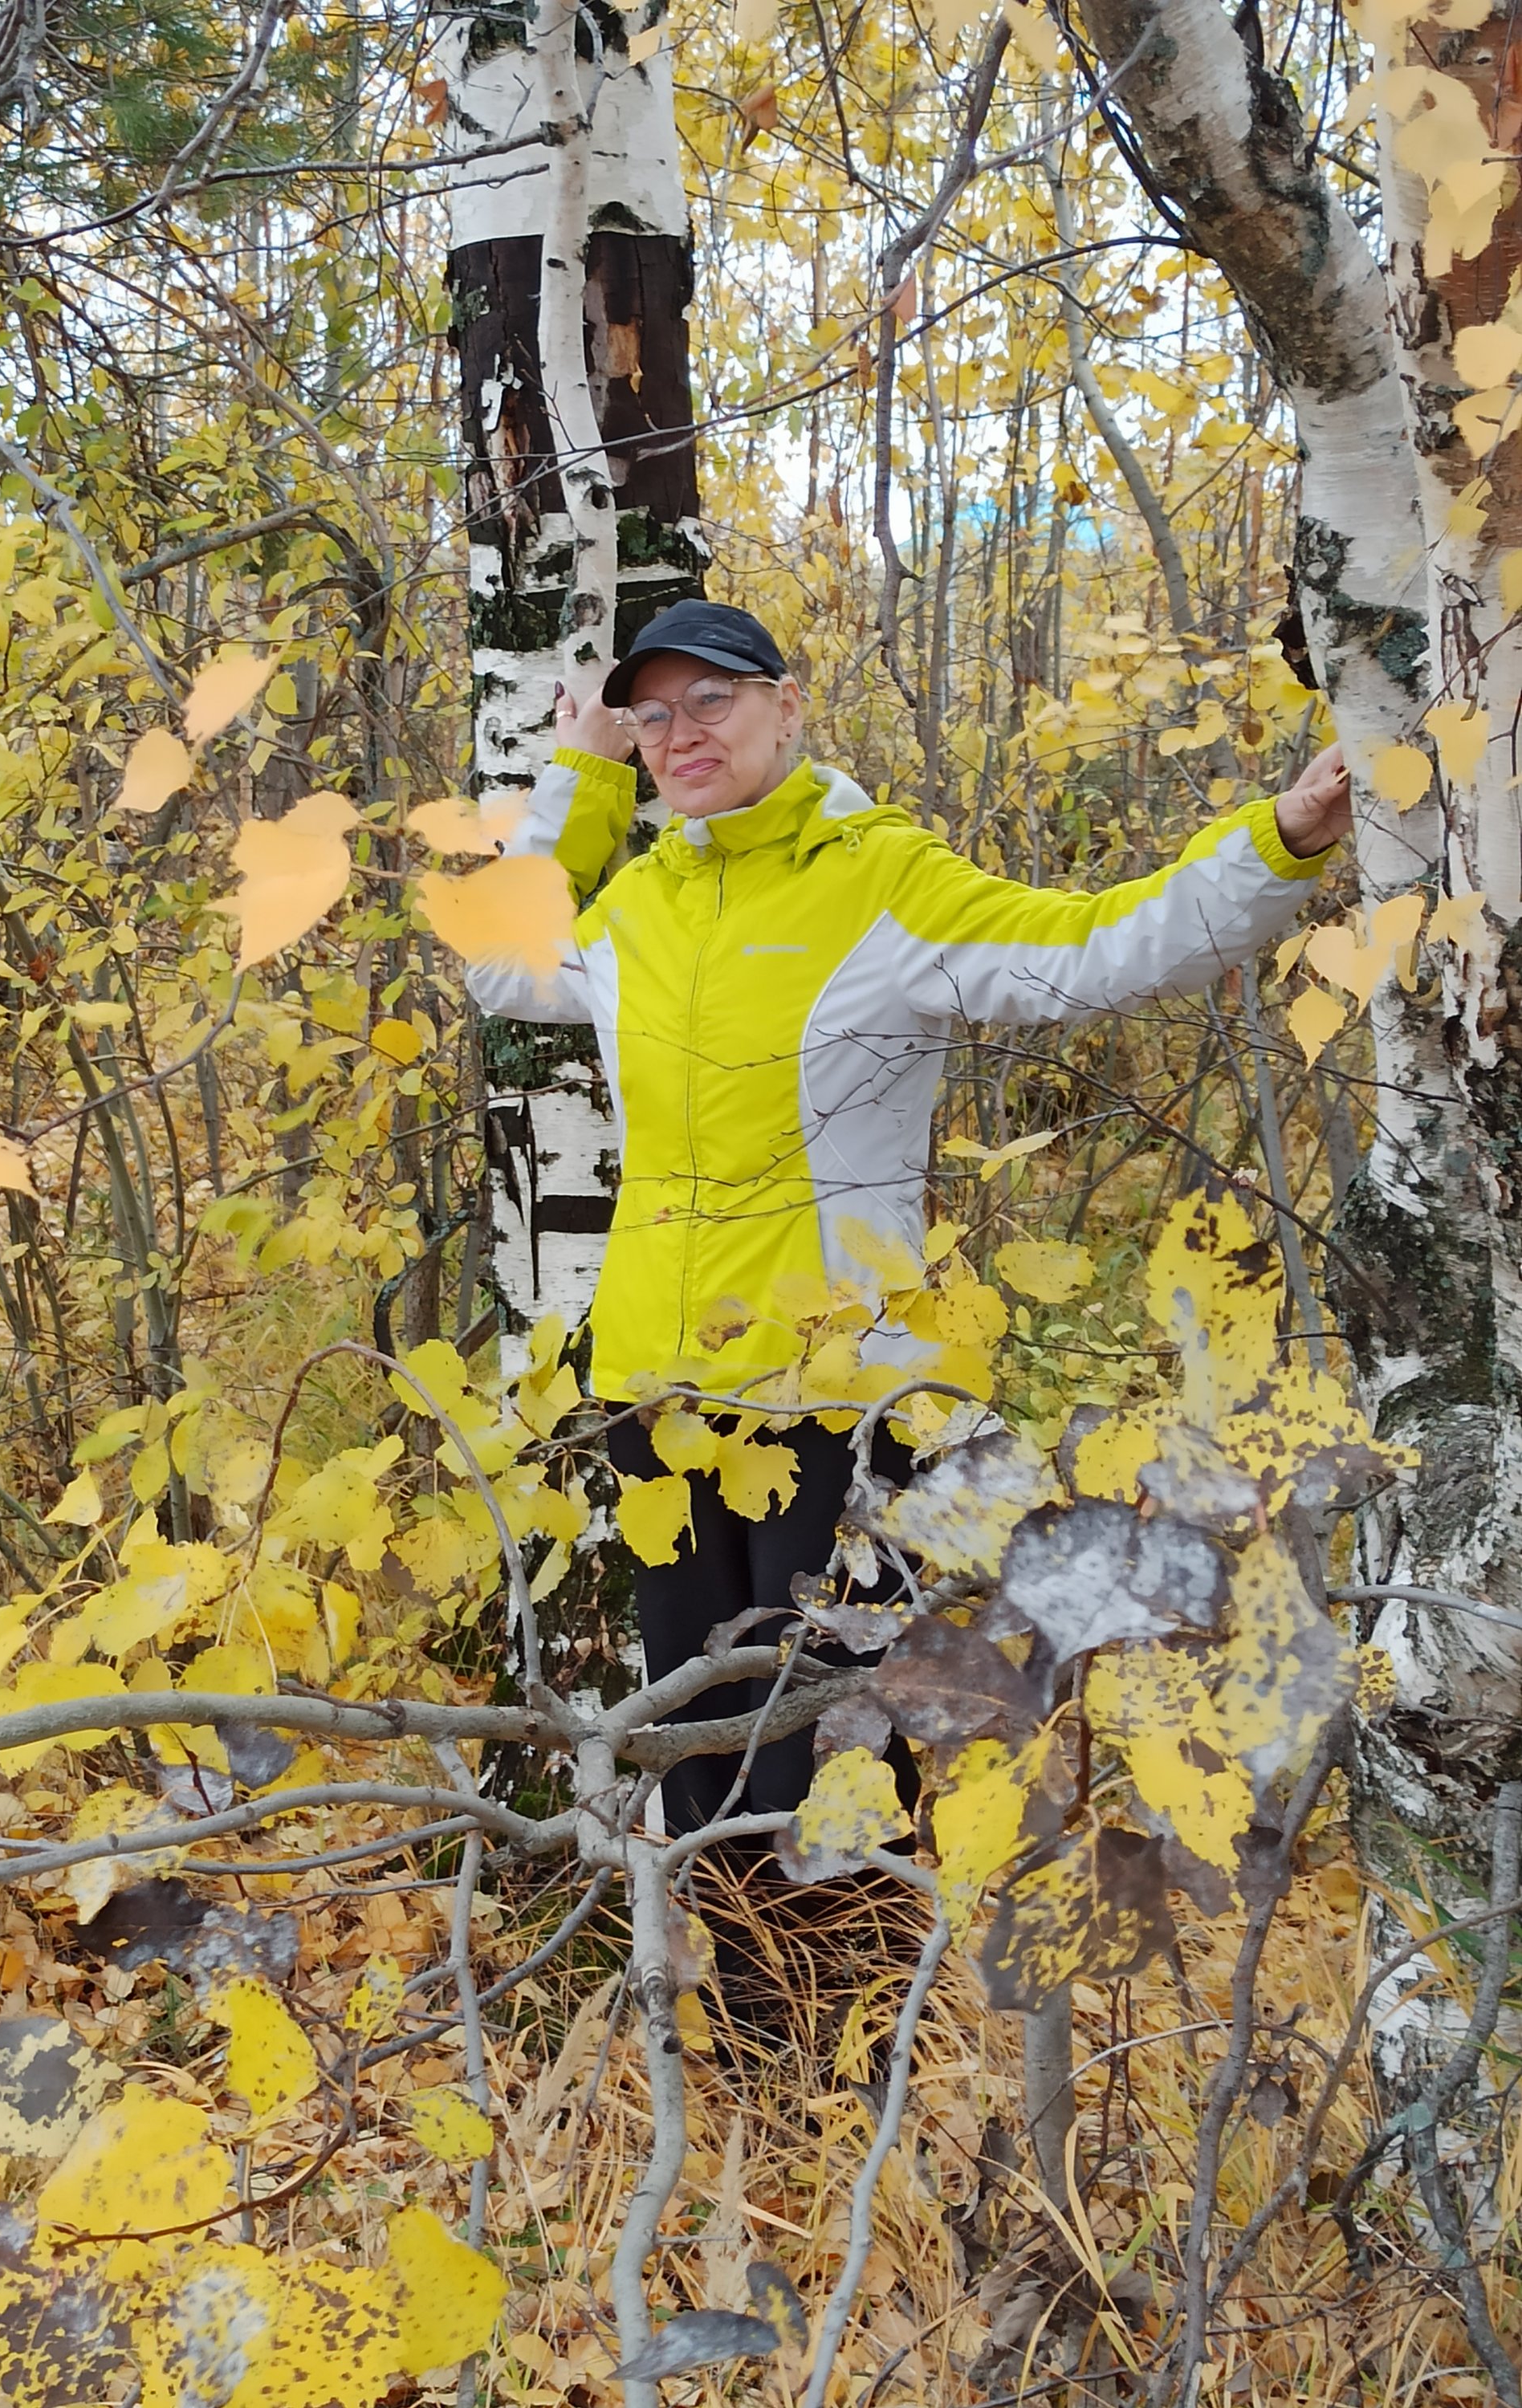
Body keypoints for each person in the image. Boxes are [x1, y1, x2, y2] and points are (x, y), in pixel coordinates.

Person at [467, 599, 1351, 1860]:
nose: (681, 733)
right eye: (651, 717)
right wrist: (582, 774)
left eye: (711, 699)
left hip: (837, 1394)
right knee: (699, 1745)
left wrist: (1281, 838)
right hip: (657, 1393)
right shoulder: (641, 903)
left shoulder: (883, 878)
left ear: (786, 705)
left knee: (833, 1760)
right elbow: (501, 964)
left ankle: (854, 1986)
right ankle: (722, 1990)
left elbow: (1097, 949)